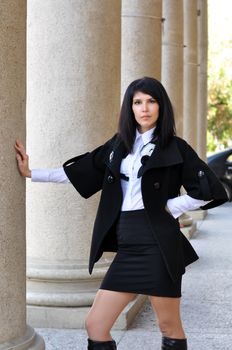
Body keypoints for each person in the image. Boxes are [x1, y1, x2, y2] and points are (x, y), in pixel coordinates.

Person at [15, 77, 228, 350]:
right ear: (130, 108)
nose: (145, 108)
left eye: (152, 101)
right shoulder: (119, 145)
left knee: (169, 326)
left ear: (162, 107)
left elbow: (208, 188)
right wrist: (32, 173)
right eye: (137, 102)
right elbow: (81, 170)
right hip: (127, 245)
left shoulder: (175, 147)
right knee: (96, 325)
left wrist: (173, 206)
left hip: (158, 245)